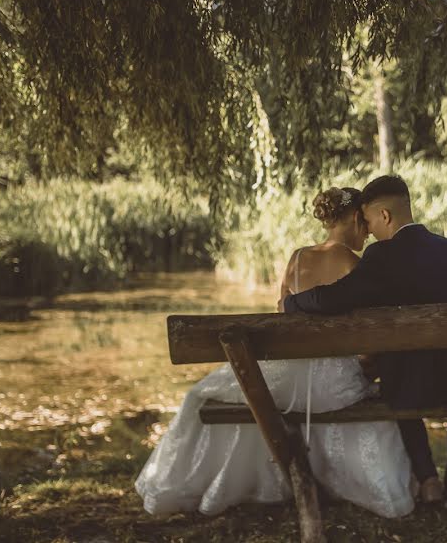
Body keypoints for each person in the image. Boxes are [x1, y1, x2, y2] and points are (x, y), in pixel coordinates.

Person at [135, 187, 414, 518]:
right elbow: (367, 337)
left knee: (212, 394)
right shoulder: (354, 264)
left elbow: (283, 314)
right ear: (355, 218)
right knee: (359, 392)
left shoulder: (297, 259)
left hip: (283, 379)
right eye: (365, 226)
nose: (367, 234)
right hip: (331, 387)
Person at [284, 175, 447, 511]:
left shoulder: (381, 257)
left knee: (396, 378)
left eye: (370, 221)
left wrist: (292, 303)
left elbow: (334, 299)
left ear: (385, 216)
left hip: (407, 387)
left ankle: (428, 480)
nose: (368, 230)